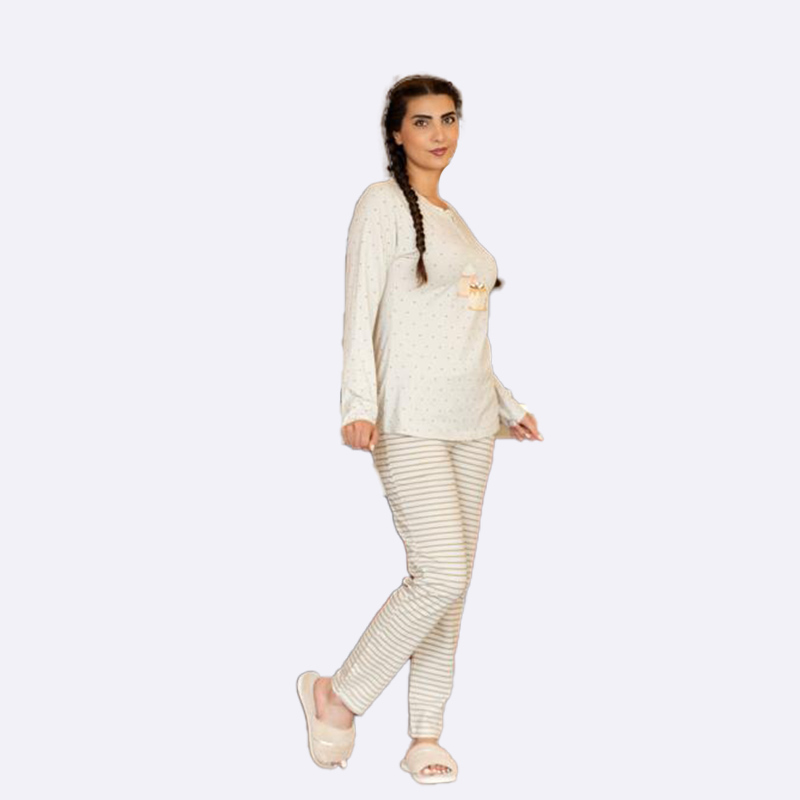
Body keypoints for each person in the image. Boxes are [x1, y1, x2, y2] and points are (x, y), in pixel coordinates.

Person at [297, 74, 543, 784]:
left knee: (451, 587)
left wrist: (505, 404)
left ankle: (425, 735)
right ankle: (336, 696)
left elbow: (464, 334)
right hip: (408, 417)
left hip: (472, 423)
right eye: (424, 121)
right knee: (441, 573)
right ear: (396, 132)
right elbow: (360, 309)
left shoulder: (456, 220)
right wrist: (357, 403)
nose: (440, 133)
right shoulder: (381, 204)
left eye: (450, 119)